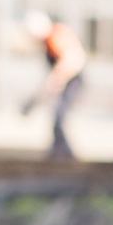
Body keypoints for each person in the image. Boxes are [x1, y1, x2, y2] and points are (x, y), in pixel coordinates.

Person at [43, 21, 86, 159]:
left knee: (59, 115)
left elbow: (73, 59)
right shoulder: (50, 40)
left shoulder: (56, 37)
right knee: (57, 114)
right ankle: (59, 149)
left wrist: (59, 77)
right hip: (66, 79)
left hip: (72, 80)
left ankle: (63, 151)